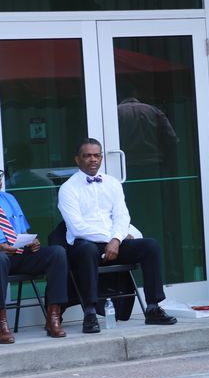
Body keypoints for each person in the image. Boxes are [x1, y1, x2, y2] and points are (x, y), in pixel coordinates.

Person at [57, 138, 177, 333]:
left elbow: (122, 216)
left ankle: (153, 308)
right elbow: (78, 227)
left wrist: (116, 239)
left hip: (115, 241)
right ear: (77, 159)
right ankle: (89, 313)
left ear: (101, 158)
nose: (93, 159)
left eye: (97, 155)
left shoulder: (112, 183)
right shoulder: (68, 189)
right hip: (84, 243)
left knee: (150, 246)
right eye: (87, 156)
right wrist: (112, 239)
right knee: (87, 250)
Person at [0, 168, 67, 343]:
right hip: (1, 257)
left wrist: (31, 241)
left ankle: (53, 317)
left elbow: (22, 231)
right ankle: (1, 325)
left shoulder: (9, 199)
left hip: (18, 253)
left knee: (57, 253)